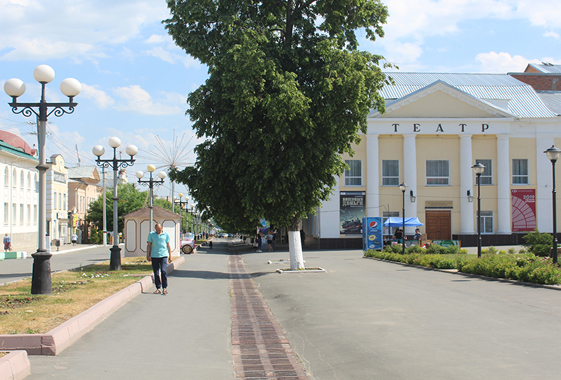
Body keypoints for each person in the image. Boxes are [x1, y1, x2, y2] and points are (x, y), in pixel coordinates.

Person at [147, 223, 172, 295]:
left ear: (162, 228)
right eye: (157, 230)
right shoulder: (151, 234)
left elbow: (168, 245)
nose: (158, 231)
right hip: (154, 255)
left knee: (163, 270)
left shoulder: (166, 234)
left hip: (163, 255)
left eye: (159, 229)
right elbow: (149, 245)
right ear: (155, 229)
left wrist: (170, 256)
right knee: (156, 272)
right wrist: (148, 255)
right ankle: (158, 288)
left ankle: (164, 288)